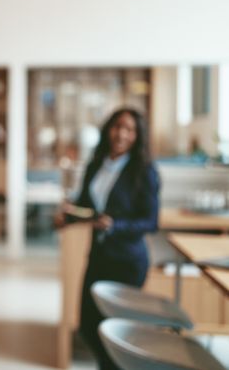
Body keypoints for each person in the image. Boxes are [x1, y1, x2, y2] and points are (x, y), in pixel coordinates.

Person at [54, 108, 160, 370]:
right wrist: (67, 216)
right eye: (117, 127)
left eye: (129, 129)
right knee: (89, 325)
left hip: (127, 262)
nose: (122, 134)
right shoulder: (97, 163)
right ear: (108, 129)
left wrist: (116, 225)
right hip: (98, 257)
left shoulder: (144, 171)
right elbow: (87, 207)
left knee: (119, 334)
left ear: (137, 136)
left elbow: (151, 221)